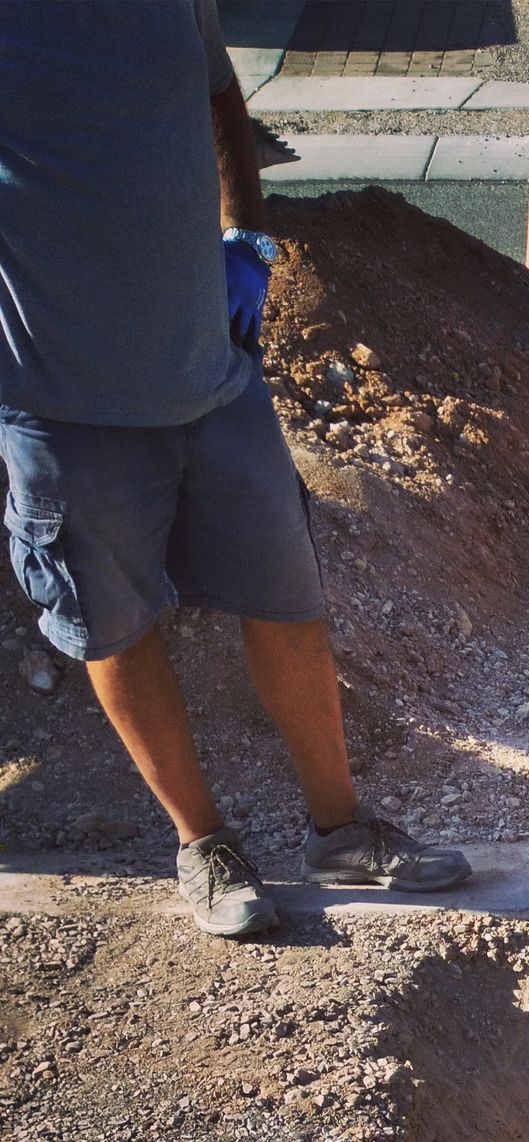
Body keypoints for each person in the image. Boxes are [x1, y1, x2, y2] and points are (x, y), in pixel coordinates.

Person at [0, 0, 470, 938]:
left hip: (215, 378)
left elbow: (221, 95)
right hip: (66, 400)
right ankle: (202, 842)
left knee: (289, 602)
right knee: (115, 625)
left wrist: (249, 241)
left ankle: (339, 829)